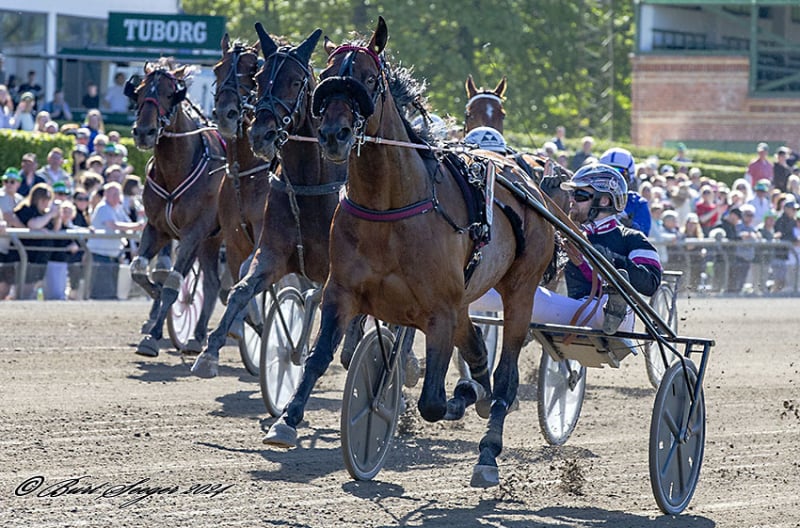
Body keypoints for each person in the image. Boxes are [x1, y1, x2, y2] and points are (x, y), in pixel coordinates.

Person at [474, 163, 662, 339]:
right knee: (525, 294)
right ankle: (462, 291)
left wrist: (610, 259)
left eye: (579, 195)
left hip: (617, 318)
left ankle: (615, 301)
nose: (571, 200)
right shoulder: (567, 235)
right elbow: (538, 273)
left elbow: (651, 283)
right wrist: (540, 200)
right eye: (572, 194)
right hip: (577, 311)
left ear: (604, 200)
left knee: (610, 302)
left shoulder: (631, 238)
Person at [86, 182, 145, 299]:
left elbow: (127, 224)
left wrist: (138, 223)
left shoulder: (118, 208)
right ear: (106, 195)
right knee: (102, 291)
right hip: (100, 254)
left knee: (111, 290)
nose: (116, 197)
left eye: (117, 194)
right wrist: (137, 226)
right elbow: (113, 225)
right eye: (112, 194)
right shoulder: (103, 208)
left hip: (113, 255)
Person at [13, 183, 60, 298]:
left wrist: (57, 216)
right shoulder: (26, 209)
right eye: (43, 199)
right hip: (26, 256)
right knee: (23, 290)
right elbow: (33, 224)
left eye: (48, 199)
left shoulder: (45, 213)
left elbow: (55, 230)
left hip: (41, 257)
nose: (46, 202)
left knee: (32, 289)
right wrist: (49, 215)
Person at [598, 147, 651, 234]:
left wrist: (630, 226)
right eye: (606, 171)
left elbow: (643, 235)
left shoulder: (637, 203)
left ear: (630, 175)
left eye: (619, 172)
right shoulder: (588, 197)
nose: (612, 178)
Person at [0, 167, 25, 299]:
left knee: (7, 285)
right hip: (1, 246)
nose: (9, 184)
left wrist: (20, 226)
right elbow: (9, 218)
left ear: (18, 183)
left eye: (12, 181)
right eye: (6, 181)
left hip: (13, 248)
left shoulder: (21, 199)